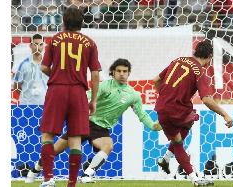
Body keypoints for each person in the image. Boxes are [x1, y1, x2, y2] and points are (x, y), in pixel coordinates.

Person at [26, 58, 162, 184]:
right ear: (113, 73)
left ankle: (87, 174)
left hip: (101, 129)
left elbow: (142, 114)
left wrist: (153, 126)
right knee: (55, 150)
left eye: (125, 71)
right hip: (85, 121)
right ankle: (36, 169)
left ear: (129, 73)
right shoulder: (105, 86)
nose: (122, 74)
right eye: (119, 71)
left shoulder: (133, 95)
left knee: (108, 145)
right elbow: (88, 96)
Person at [153, 40, 233, 186]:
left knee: (189, 121)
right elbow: (207, 100)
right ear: (209, 56)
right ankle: (195, 179)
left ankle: (165, 159)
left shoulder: (178, 60)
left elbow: (156, 80)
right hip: (174, 110)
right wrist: (225, 114)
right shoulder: (200, 72)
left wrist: (165, 97)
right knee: (178, 143)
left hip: (169, 108)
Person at [38, 6, 101, 187]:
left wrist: (57, 75)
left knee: (48, 135)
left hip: (57, 90)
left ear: (64, 22)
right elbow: (95, 74)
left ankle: (48, 179)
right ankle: (71, 184)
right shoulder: (90, 43)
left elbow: (43, 67)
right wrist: (93, 100)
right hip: (78, 92)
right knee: (75, 138)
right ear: (82, 23)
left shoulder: (56, 39)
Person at [13, 34, 48, 105]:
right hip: (27, 103)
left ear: (44, 46)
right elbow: (16, 86)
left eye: (41, 44)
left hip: (45, 103)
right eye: (35, 44)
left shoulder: (48, 64)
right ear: (30, 45)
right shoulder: (23, 64)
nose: (38, 47)